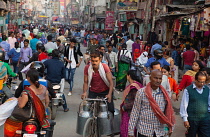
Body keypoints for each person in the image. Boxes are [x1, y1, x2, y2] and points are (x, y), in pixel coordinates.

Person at [128, 70, 175, 137]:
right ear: (150, 78)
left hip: (159, 132)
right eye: (155, 78)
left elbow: (168, 112)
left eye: (160, 78)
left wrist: (170, 127)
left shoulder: (165, 94)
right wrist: (131, 131)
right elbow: (135, 112)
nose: (158, 81)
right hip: (144, 131)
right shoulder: (141, 92)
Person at [4, 69, 50, 137]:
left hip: (28, 117)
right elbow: (47, 102)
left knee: (9, 121)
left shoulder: (27, 91)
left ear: (28, 78)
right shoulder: (44, 89)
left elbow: (21, 106)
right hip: (40, 116)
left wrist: (19, 100)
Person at [180, 71, 210, 137]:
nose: (202, 83)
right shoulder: (188, 90)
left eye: (203, 81)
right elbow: (184, 105)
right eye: (200, 81)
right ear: (195, 80)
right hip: (192, 119)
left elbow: (209, 103)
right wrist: (185, 119)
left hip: (205, 119)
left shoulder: (207, 90)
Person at [120, 70, 143, 137]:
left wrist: (124, 107)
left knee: (127, 131)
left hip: (130, 113)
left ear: (129, 76)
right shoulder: (138, 85)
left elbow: (136, 101)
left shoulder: (134, 87)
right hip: (134, 113)